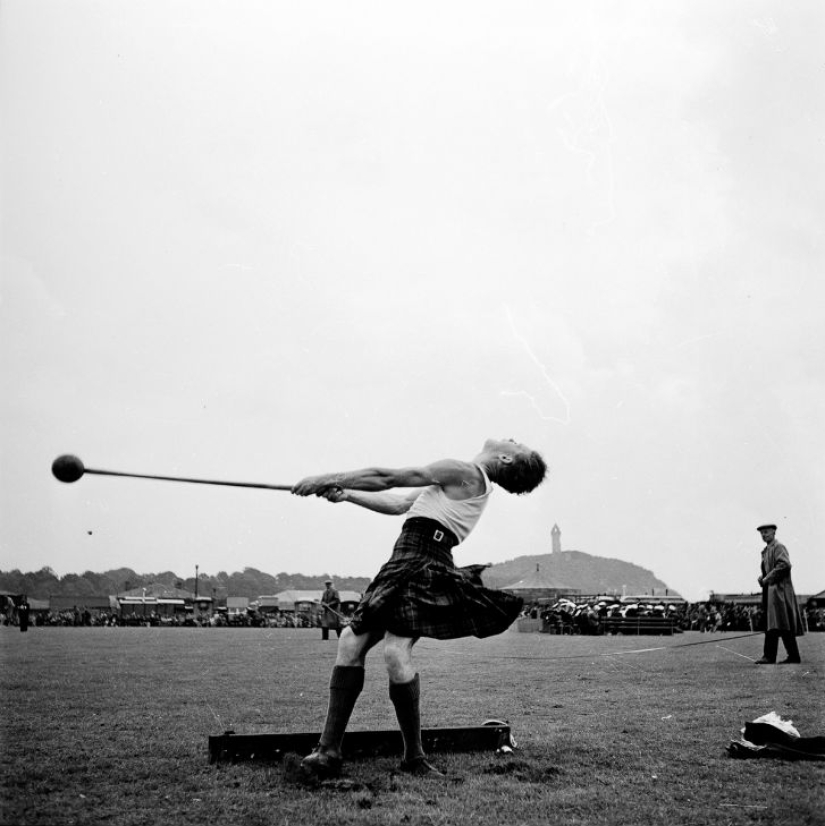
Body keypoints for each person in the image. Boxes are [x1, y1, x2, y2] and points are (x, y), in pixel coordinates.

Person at [290, 437, 547, 778]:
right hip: (407, 555)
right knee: (351, 642)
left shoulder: (465, 471)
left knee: (395, 653)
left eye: (517, 444)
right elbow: (398, 504)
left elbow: (388, 476)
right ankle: (329, 751)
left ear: (505, 457)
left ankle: (414, 757)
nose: (512, 439)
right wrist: (347, 495)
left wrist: (327, 478)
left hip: (424, 559)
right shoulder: (458, 482)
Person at [754, 524, 804, 664]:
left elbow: (784, 565)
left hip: (779, 591)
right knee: (781, 623)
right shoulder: (766, 550)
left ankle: (770, 656)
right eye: (761, 533)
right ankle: (792, 656)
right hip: (772, 591)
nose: (764, 535)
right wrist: (762, 579)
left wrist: (767, 578)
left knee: (777, 622)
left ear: (774, 532)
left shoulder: (778, 547)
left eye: (766, 532)